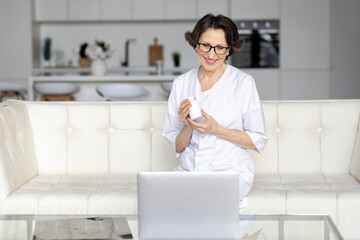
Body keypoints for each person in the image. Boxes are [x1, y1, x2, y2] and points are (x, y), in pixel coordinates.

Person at [162, 14, 268, 208]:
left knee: (207, 204)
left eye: (220, 48)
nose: (211, 55)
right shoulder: (181, 84)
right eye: (205, 45)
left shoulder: (243, 83)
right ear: (195, 44)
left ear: (229, 50)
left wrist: (217, 129)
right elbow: (177, 147)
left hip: (230, 172)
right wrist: (187, 126)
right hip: (190, 171)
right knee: (168, 205)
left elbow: (258, 139)